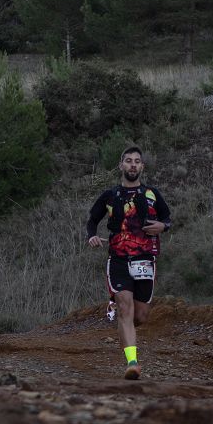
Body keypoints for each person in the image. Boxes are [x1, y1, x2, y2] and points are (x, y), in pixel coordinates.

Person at [86, 147, 171, 380]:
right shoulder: (110, 195)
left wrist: (163, 227)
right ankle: (132, 363)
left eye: (137, 162)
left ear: (142, 167)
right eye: (128, 161)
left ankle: (121, 319)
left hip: (145, 258)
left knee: (139, 316)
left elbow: (167, 218)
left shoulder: (152, 193)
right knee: (125, 307)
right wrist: (92, 235)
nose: (133, 165)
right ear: (121, 165)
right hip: (119, 259)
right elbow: (92, 220)